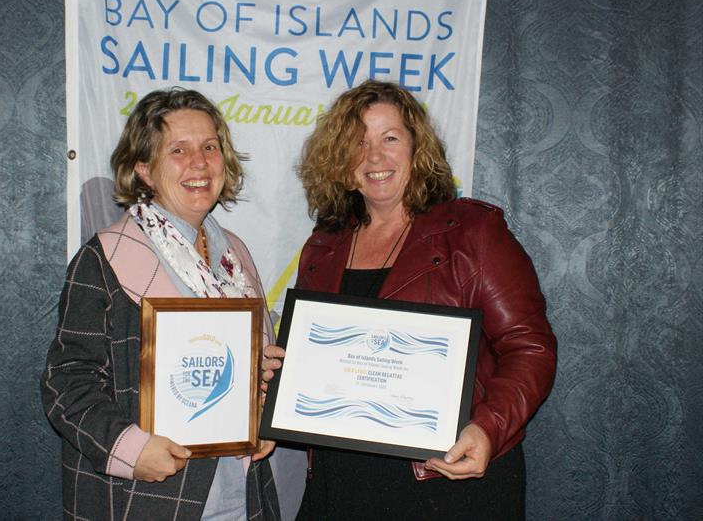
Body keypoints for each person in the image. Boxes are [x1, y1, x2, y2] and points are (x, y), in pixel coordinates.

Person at [263, 80, 557, 520]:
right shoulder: (323, 244)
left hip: (447, 479)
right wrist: (281, 374)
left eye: (390, 138)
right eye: (358, 143)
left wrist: (488, 429)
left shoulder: (472, 234)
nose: (375, 157)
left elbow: (529, 346)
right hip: (339, 482)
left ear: (417, 148)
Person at [42, 88, 305, 520]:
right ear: (143, 168)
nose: (199, 163)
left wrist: (263, 409)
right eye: (178, 150)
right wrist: (128, 448)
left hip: (240, 491)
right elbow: (66, 382)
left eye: (209, 147)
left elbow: (255, 367)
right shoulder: (104, 257)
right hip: (145, 497)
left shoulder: (234, 256)